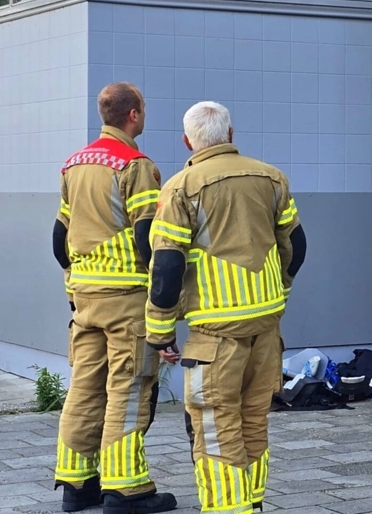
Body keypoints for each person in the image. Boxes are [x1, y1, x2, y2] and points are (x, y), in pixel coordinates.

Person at [145, 102, 307, 514]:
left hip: (214, 337)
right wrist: (280, 290)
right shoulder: (272, 178)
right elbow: (296, 246)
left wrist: (161, 332)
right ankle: (251, 505)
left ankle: (228, 509)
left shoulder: (181, 188)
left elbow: (166, 265)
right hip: (267, 328)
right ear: (230, 134)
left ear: (187, 141)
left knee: (217, 428)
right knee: (254, 422)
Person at [52, 82, 177, 514]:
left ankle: (76, 484)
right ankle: (126, 490)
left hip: (85, 299)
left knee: (84, 388)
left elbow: (59, 238)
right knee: (128, 386)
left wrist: (77, 280)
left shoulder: (74, 164)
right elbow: (147, 237)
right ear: (134, 115)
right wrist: (161, 295)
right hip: (126, 298)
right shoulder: (135, 165)